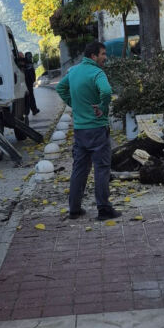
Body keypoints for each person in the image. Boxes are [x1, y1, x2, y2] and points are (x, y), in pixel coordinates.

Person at [57, 39, 118, 220]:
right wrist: (102, 107)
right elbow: (106, 92)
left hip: (80, 130)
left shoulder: (74, 71)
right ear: (93, 56)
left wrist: (73, 104)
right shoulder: (97, 73)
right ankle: (104, 209)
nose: (105, 57)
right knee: (101, 168)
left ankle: (74, 209)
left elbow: (60, 88)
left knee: (79, 169)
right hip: (97, 129)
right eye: (103, 54)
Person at [23, 51, 39, 115]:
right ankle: (32, 110)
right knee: (30, 97)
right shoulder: (29, 65)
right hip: (28, 83)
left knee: (28, 97)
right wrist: (33, 81)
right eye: (30, 56)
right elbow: (32, 75)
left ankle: (31, 110)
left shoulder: (24, 64)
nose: (30, 58)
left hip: (25, 83)